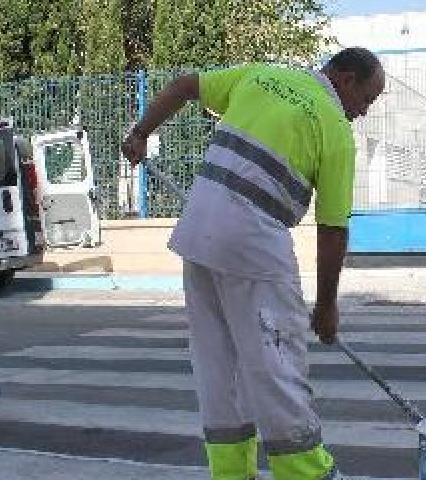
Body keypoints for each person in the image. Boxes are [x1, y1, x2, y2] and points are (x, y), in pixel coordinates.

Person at [120, 48, 385, 480]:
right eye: (367, 98)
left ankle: (230, 473)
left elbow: (185, 84)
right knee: (276, 366)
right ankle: (307, 474)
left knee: (218, 366)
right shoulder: (335, 129)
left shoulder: (260, 75)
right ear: (345, 78)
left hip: (199, 232)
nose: (364, 111)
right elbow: (332, 229)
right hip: (253, 244)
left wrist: (141, 133)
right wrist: (326, 307)